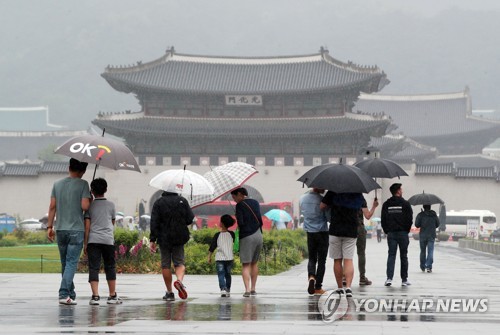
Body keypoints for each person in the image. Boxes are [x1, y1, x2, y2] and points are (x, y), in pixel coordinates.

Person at [47, 158, 91, 305]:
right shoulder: (83, 184)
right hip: (76, 229)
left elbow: (52, 206)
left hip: (60, 229)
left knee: (65, 263)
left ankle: (70, 293)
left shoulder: (57, 184)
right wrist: (89, 198)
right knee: (71, 263)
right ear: (82, 171)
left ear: (69, 167)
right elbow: (85, 206)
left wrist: (49, 227)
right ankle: (64, 293)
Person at [150, 190, 195, 301]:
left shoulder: (159, 202)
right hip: (179, 237)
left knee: (165, 265)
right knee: (179, 262)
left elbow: (154, 222)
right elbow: (190, 219)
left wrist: (152, 239)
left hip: (163, 237)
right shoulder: (182, 200)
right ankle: (179, 281)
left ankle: (169, 292)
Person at [84, 178, 122, 305]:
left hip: (93, 240)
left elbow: (87, 226)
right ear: (106, 189)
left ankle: (95, 296)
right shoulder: (111, 205)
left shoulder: (90, 206)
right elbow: (112, 223)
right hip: (107, 240)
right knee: (110, 266)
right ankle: (112, 296)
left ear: (92, 191)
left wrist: (85, 243)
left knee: (93, 267)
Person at [321, 192, 365, 298]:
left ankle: (340, 287)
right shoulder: (357, 193)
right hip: (351, 230)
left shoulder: (332, 191)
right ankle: (348, 288)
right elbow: (362, 207)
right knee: (348, 259)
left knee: (337, 260)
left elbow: (322, 206)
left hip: (335, 229)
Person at [230, 187, 263, 297]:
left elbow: (241, 223)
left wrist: (237, 216)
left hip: (247, 236)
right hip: (258, 234)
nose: (234, 200)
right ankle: (253, 288)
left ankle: (247, 290)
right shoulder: (255, 202)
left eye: (234, 197)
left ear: (239, 194)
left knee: (246, 264)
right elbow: (260, 219)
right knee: (254, 263)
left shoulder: (239, 205)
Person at [381, 183, 413, 287]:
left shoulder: (386, 204)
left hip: (391, 234)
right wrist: (406, 230)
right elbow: (409, 219)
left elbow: (383, 219)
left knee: (391, 255)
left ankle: (389, 278)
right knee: (403, 256)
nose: (402, 191)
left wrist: (387, 231)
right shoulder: (405, 204)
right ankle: (404, 279)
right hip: (403, 233)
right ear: (398, 191)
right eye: (401, 189)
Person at [299, 188, 329, 295]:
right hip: (322, 232)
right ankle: (318, 287)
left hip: (310, 232)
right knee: (322, 260)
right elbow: (328, 218)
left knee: (312, 258)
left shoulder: (302, 199)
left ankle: (311, 276)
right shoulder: (323, 200)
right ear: (319, 187)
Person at [208, 214, 236, 297]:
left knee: (221, 274)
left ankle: (223, 288)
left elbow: (212, 247)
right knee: (228, 274)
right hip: (229, 258)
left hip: (219, 258)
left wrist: (209, 256)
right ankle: (228, 289)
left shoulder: (217, 235)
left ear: (222, 223)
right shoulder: (232, 234)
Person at [356, 198, 379, 285]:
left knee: (346, 254)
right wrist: (374, 206)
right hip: (359, 228)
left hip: (347, 227)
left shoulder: (344, 196)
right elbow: (368, 216)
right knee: (361, 253)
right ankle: (362, 277)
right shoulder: (360, 199)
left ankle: (344, 277)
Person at [415, 204, 440, 273]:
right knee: (430, 251)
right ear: (430, 207)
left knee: (422, 251)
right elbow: (437, 224)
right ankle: (429, 266)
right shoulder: (434, 214)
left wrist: (422, 217)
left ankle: (423, 266)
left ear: (423, 207)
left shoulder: (420, 215)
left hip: (423, 235)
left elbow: (417, 225)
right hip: (431, 235)